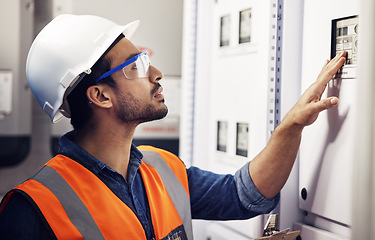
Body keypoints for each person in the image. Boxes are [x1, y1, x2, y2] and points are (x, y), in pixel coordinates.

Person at [0, 14, 346, 240]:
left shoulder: (162, 168)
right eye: (136, 66)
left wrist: (293, 124)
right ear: (100, 95)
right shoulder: (32, 209)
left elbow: (245, 196)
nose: (156, 74)